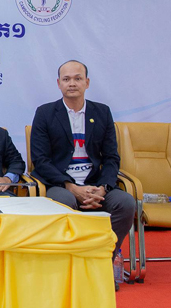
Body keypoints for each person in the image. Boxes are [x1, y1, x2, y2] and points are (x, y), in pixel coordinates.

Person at [30, 60, 135, 286]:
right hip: (60, 185)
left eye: (78, 78)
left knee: (125, 203)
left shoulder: (102, 112)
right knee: (64, 202)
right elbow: (40, 160)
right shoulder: (45, 113)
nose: (72, 83)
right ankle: (70, 267)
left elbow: (111, 158)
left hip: (95, 184)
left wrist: (103, 188)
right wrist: (71, 187)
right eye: (66, 79)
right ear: (58, 83)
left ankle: (104, 260)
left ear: (87, 83)